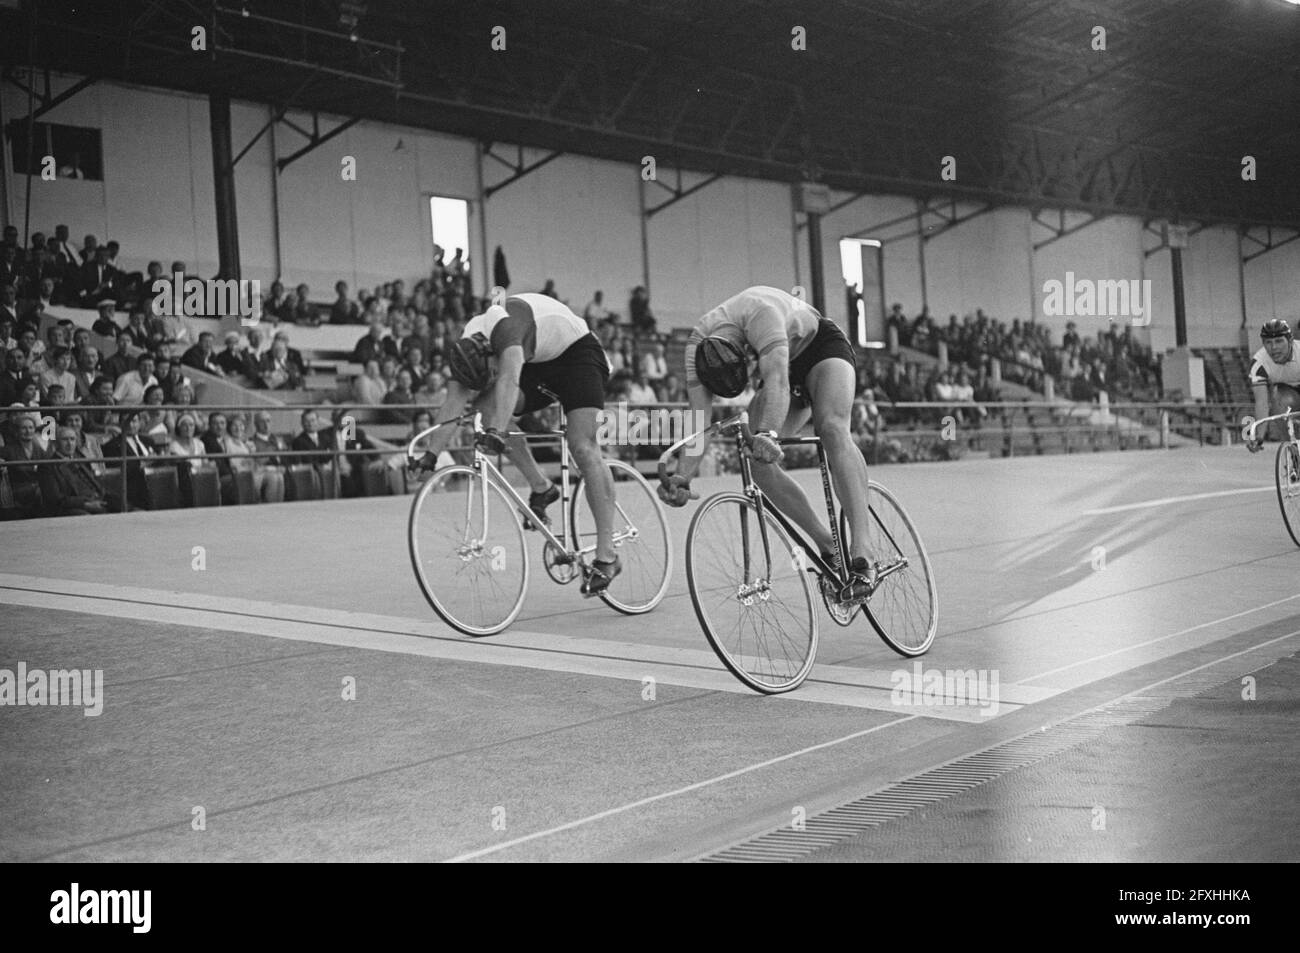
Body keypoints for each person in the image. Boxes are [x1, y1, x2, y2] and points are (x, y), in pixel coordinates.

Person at [659, 285, 878, 603]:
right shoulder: (697, 349)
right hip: (777, 367)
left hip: (820, 348)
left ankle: (863, 552)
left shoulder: (762, 315)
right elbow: (699, 421)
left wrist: (768, 434)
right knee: (757, 465)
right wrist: (683, 474)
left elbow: (777, 380)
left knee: (831, 428)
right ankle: (828, 544)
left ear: (745, 353)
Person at [419, 292, 621, 596]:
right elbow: (453, 404)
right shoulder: (467, 347)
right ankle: (542, 487)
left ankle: (607, 556)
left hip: (578, 354)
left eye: (488, 375)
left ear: (490, 356)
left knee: (582, 447)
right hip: (538, 360)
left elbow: (509, 380)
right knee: (486, 408)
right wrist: (430, 455)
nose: (487, 380)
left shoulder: (507, 331)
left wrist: (497, 432)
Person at [1247, 319, 1300, 450]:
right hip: (1287, 392)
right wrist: (1259, 437)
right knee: (1277, 398)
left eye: (1279, 341)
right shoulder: (1259, 364)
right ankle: (1293, 450)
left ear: (1290, 340)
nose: (1274, 347)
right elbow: (1262, 403)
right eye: (1268, 342)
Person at [39, 426, 111, 515]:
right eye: (65, 440)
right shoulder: (48, 466)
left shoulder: (81, 459)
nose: (70, 444)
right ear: (56, 443)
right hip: (70, 507)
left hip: (94, 498)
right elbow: (56, 499)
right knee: (87, 516)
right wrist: (86, 504)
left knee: (120, 504)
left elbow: (94, 483)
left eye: (72, 439)